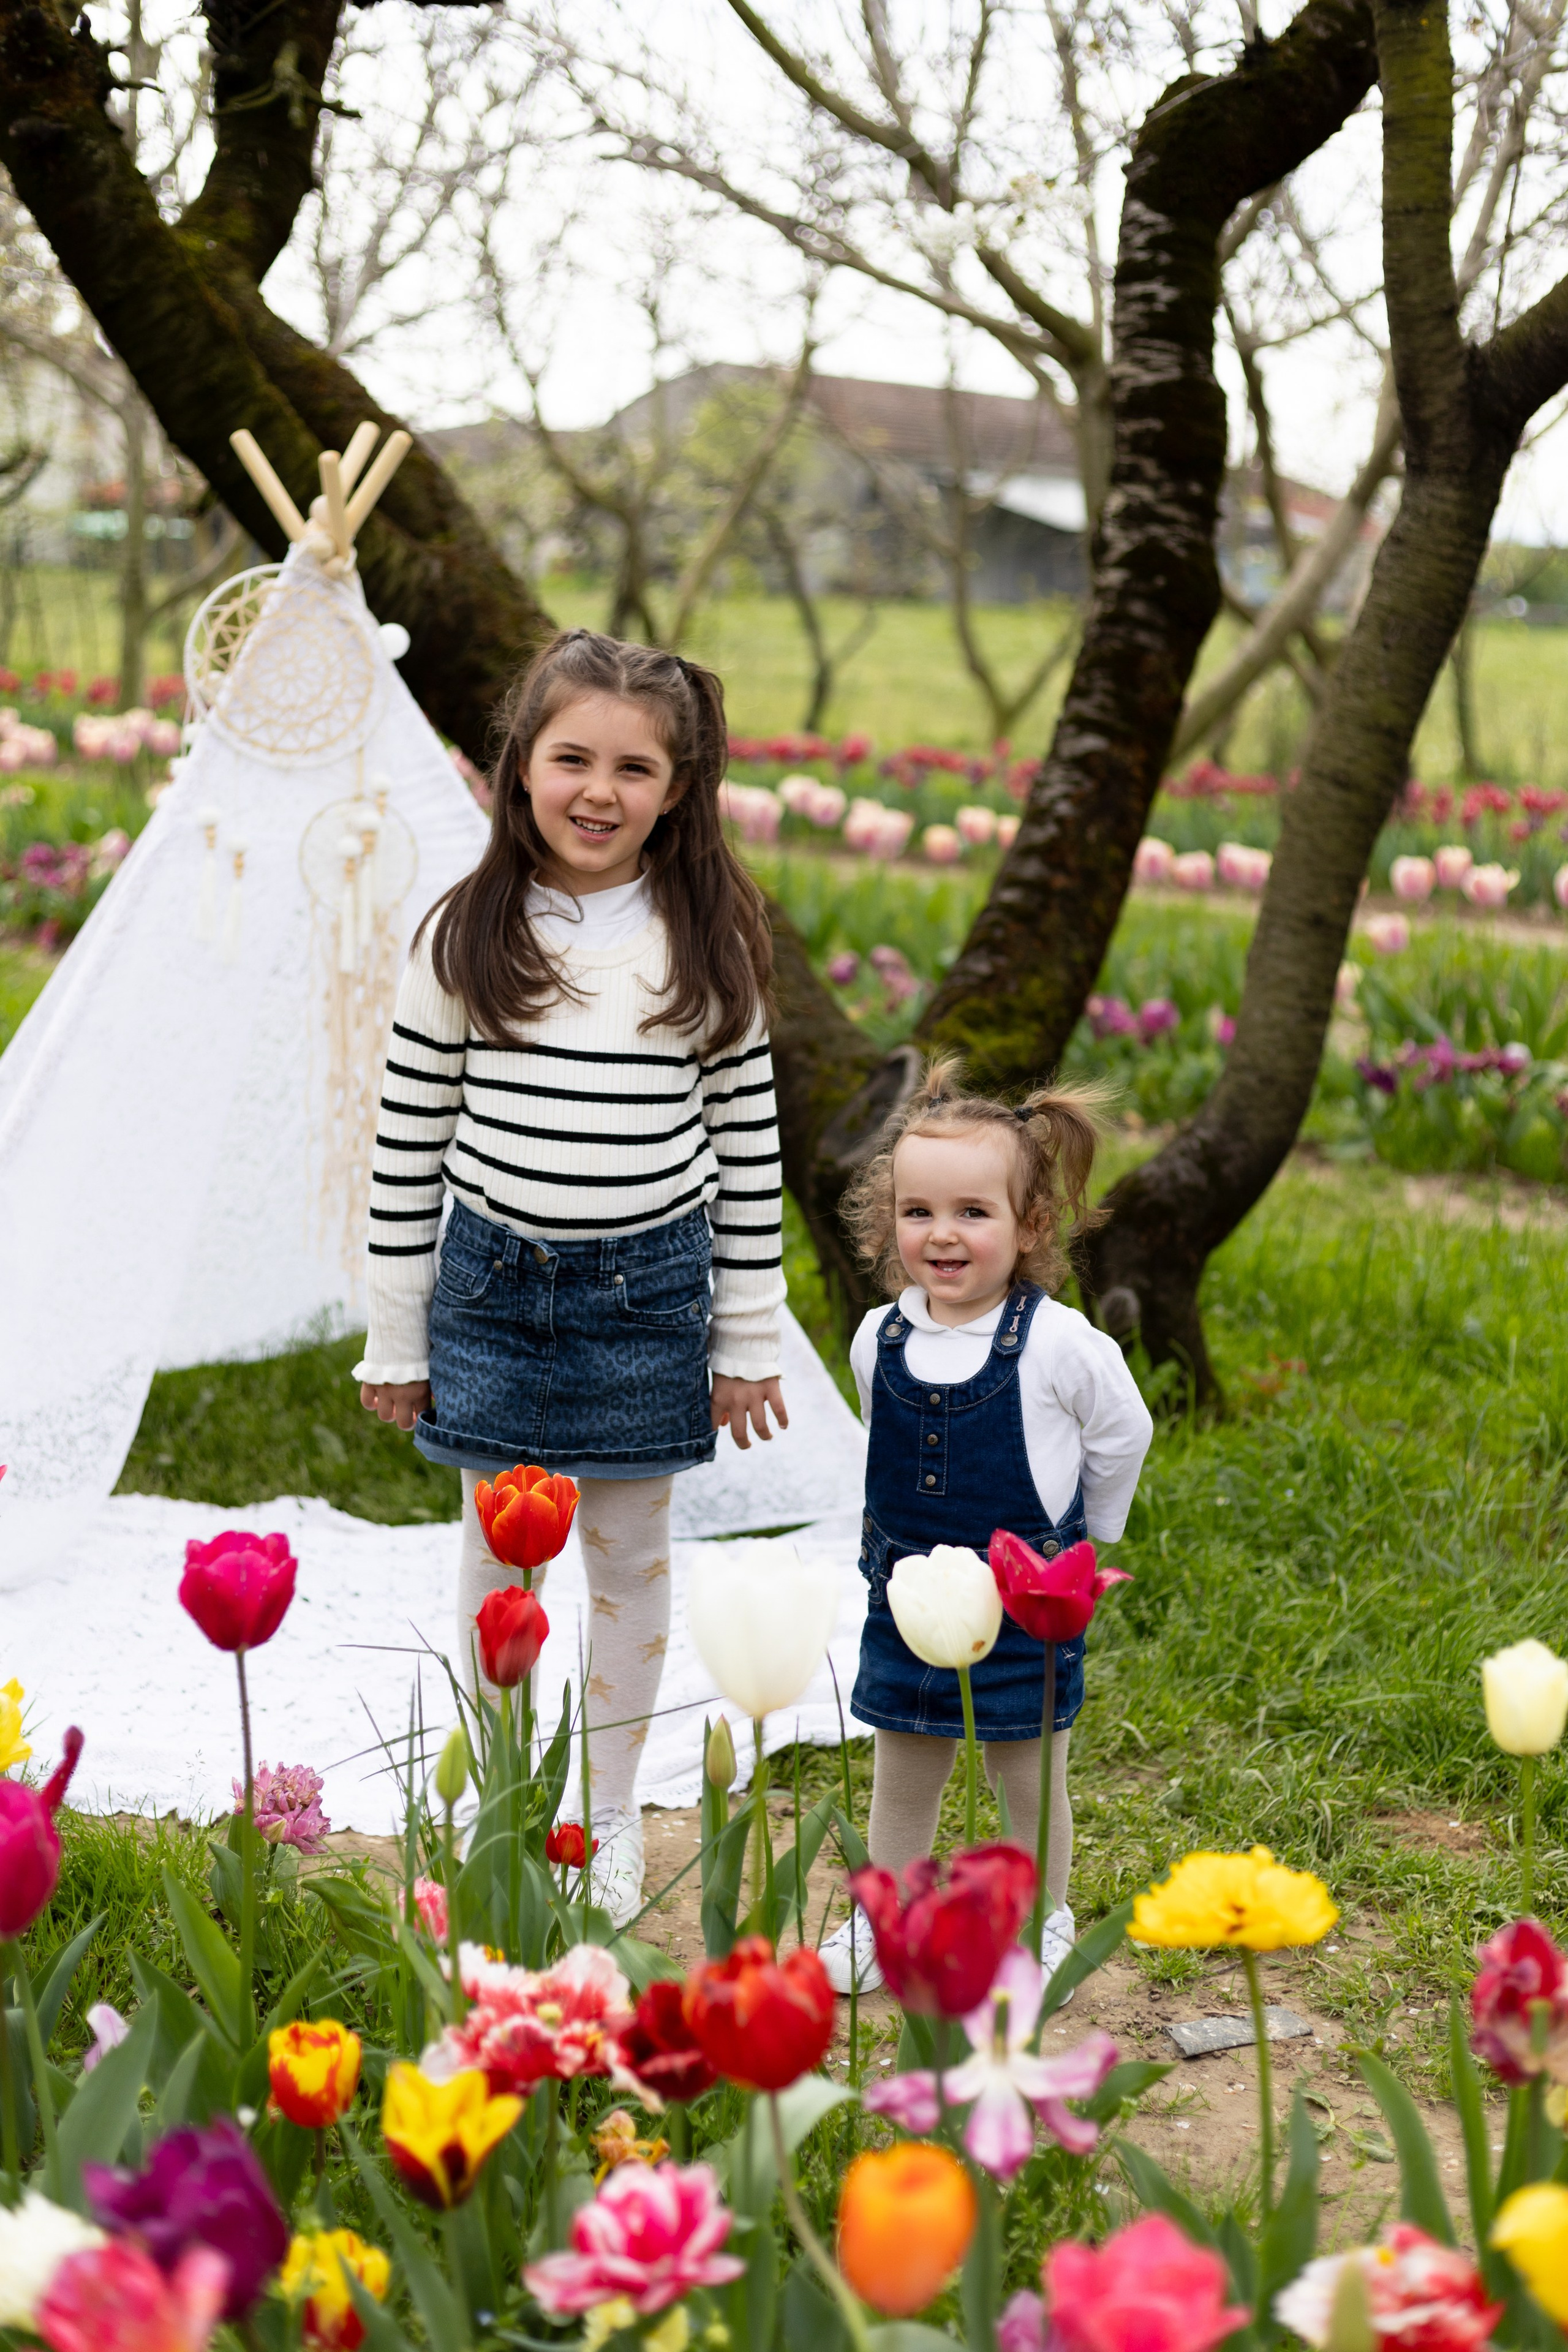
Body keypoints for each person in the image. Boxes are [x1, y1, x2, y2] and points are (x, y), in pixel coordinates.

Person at [354, 629, 787, 1924]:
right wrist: (397, 1333)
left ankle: (602, 1814)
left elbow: (747, 1152)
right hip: (489, 1284)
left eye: (635, 768)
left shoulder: (705, 944)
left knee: (628, 1556)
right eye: (572, 759)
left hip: (645, 1298)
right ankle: (496, 1787)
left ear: (679, 788)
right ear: (519, 766)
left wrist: (745, 1339)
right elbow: (405, 1143)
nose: (599, 791)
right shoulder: (467, 934)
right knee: (498, 1557)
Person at [821, 1057, 1152, 1994]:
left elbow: (1125, 1428)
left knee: (1027, 1768)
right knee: (905, 1758)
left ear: (1029, 1225)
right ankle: (886, 1913)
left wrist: (1092, 1532)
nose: (944, 1234)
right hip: (911, 1596)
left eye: (974, 1212)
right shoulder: (878, 1335)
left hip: (1025, 1602)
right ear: (890, 1222)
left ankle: (1041, 1917)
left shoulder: (1056, 1343)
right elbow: (882, 1433)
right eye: (919, 1212)